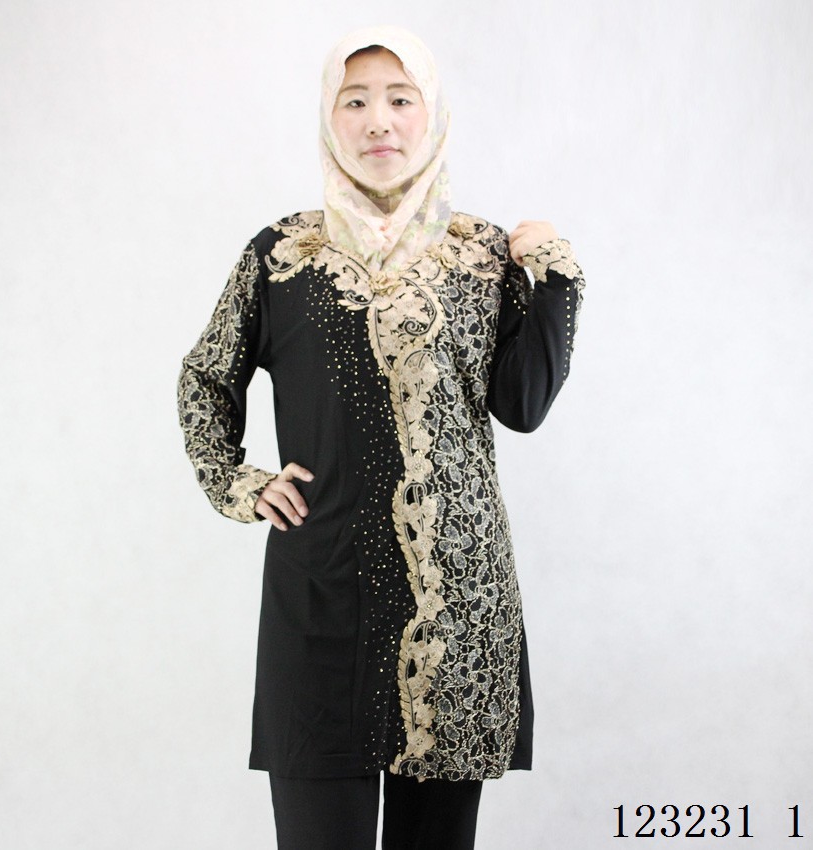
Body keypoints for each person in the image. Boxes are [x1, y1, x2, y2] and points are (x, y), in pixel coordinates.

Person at [177, 25, 585, 850]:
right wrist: (239, 481)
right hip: (319, 596)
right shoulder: (282, 255)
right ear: (329, 118)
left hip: (456, 607)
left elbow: (522, 404)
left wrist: (557, 282)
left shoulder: (483, 256)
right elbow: (206, 377)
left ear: (431, 114)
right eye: (354, 101)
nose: (379, 122)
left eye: (401, 100)